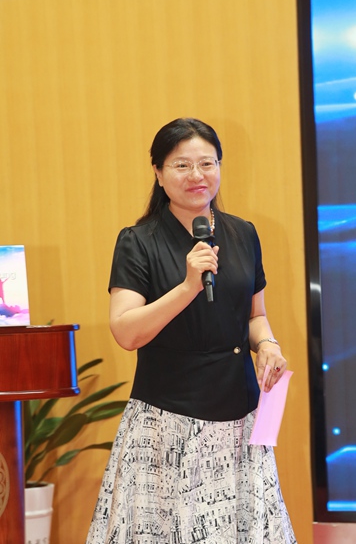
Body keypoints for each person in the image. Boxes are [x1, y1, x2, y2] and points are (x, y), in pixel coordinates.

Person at [86, 118, 296, 543]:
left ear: (219, 166)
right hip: (167, 421)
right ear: (159, 173)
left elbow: (254, 316)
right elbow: (126, 332)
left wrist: (268, 344)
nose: (197, 175)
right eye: (182, 165)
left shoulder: (243, 233)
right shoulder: (138, 241)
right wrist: (187, 287)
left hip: (239, 416)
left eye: (207, 163)